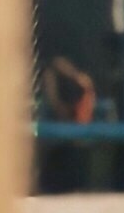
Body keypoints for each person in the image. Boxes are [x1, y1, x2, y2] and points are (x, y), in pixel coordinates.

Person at [35, 50, 97, 193]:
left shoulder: (82, 85)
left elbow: (67, 110)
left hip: (73, 135)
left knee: (67, 160)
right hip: (63, 137)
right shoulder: (62, 84)